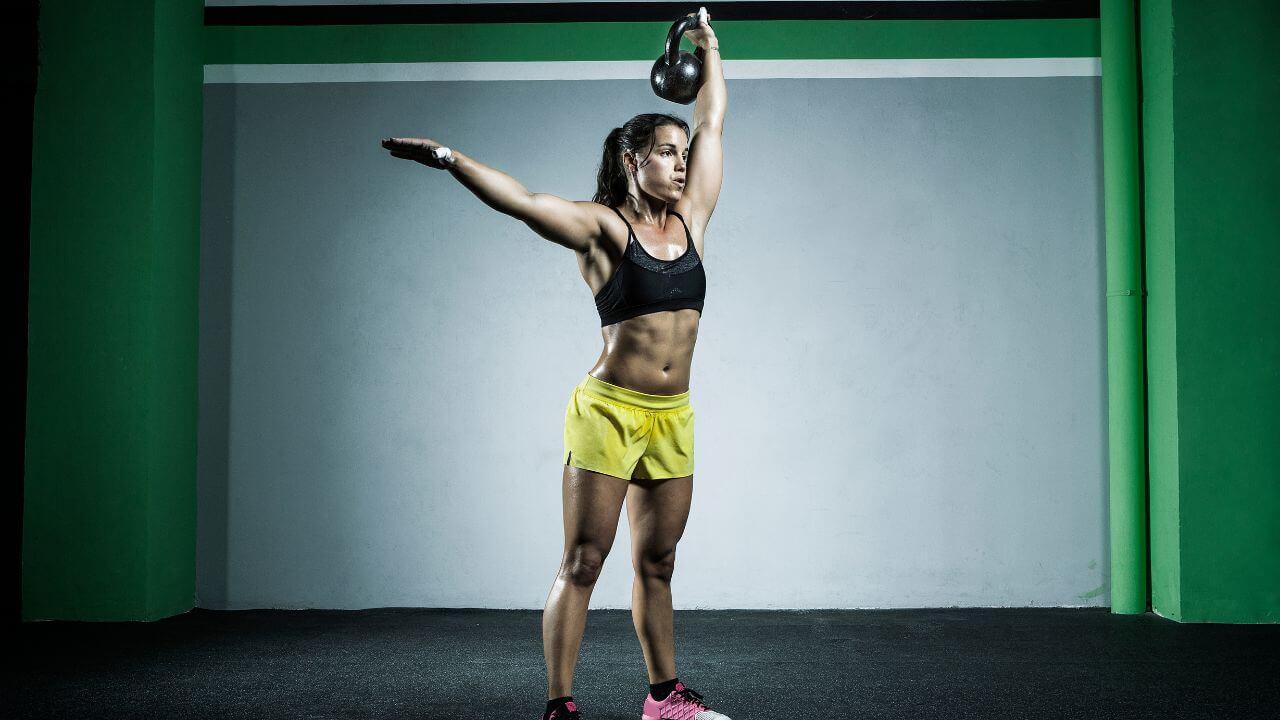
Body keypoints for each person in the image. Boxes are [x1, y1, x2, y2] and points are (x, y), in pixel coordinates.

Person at [381, 10, 725, 719]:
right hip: (609, 413)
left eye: (682, 151)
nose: (682, 160)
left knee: (657, 565)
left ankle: (664, 699)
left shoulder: (693, 216)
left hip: (672, 418)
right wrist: (448, 159)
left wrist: (710, 48)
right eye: (666, 151)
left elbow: (714, 121)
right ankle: (560, 705)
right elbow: (524, 202)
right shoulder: (602, 227)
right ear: (633, 161)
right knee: (584, 563)